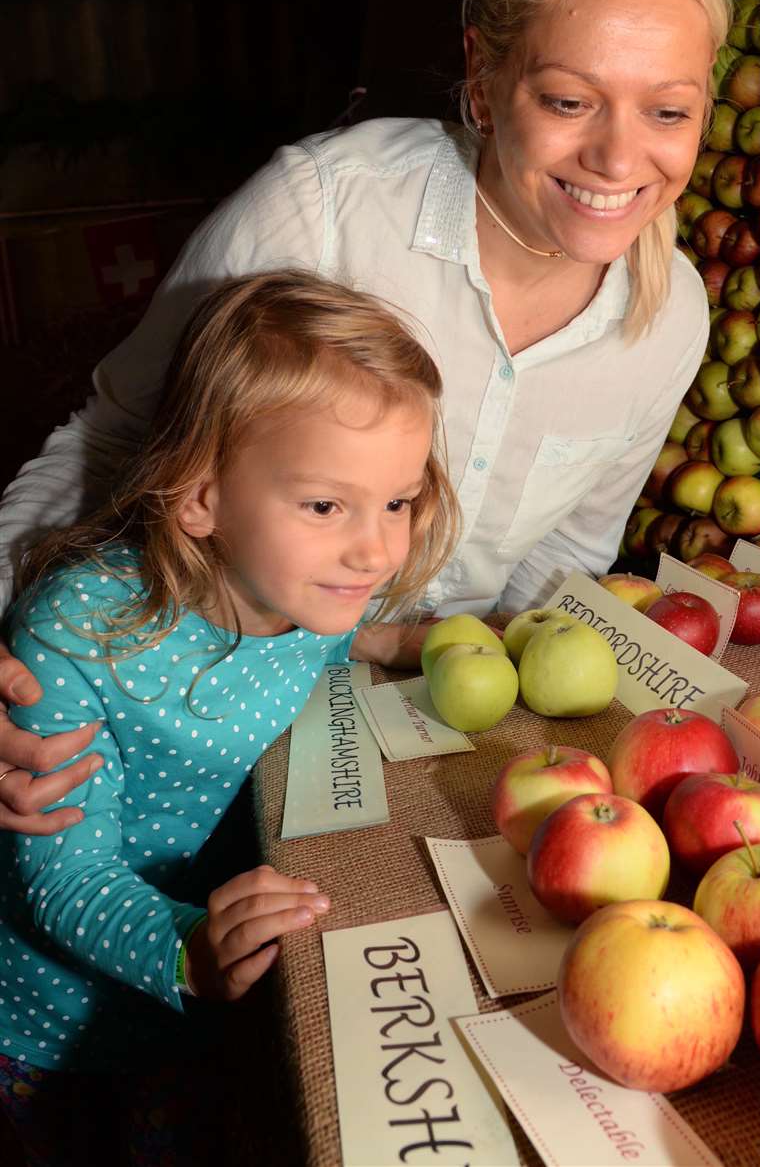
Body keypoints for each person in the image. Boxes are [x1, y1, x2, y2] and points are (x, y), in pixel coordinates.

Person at [0, 0, 728, 830]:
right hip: (180, 713)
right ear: (483, 75)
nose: (618, 159)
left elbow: (561, 562)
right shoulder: (323, 214)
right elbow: (108, 439)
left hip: (419, 729)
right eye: (567, 101)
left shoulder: (669, 317)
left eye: (667, 111)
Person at [0, 270, 459, 1164]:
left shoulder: (301, 585)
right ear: (201, 496)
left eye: (397, 501)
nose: (375, 547)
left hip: (208, 987)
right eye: (327, 504)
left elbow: (334, 634)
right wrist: (189, 952)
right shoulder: (73, 638)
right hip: (54, 1024)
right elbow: (63, 879)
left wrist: (409, 642)